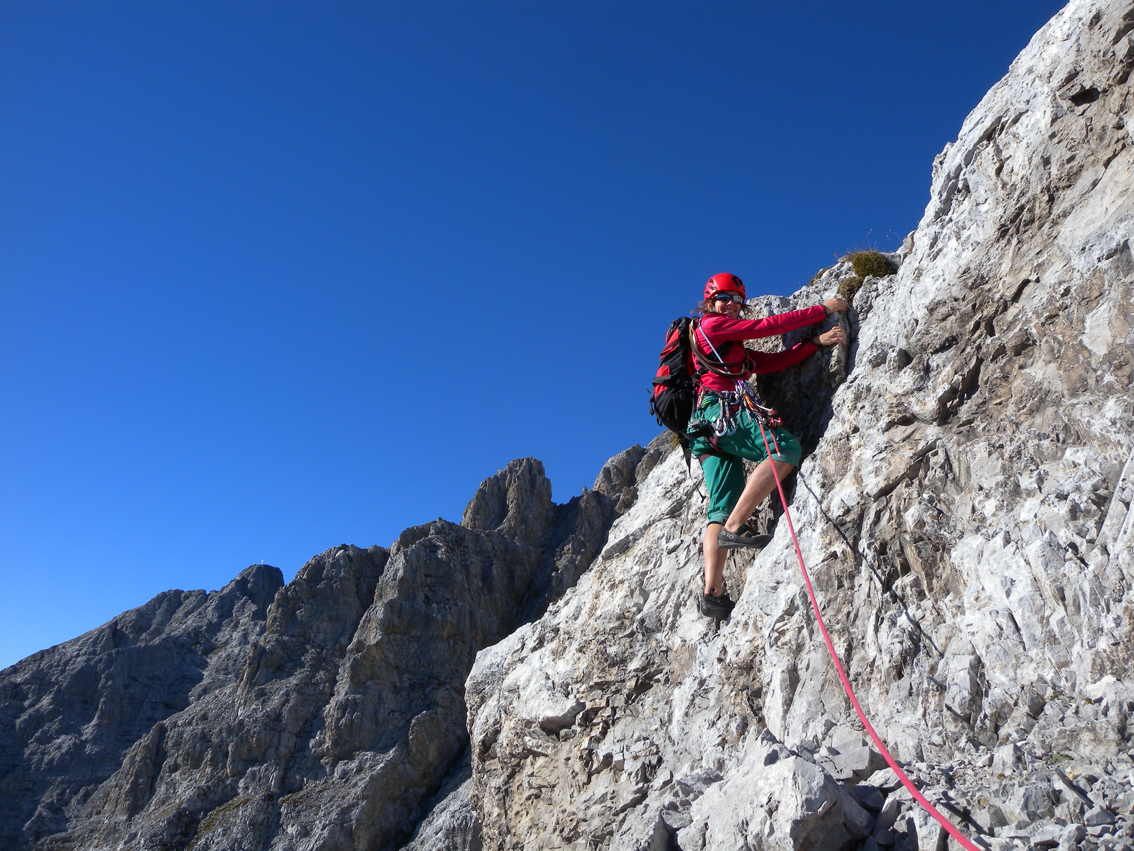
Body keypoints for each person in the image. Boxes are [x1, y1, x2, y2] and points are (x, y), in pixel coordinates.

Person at [689, 273, 848, 619]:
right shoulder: (712, 327)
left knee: (719, 506)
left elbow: (772, 362)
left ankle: (712, 593)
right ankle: (736, 528)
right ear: (710, 304)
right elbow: (768, 326)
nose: (728, 304)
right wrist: (821, 309)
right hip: (723, 412)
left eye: (733, 299)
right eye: (722, 299)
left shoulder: (729, 350)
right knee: (783, 449)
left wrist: (814, 344)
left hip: (705, 428)